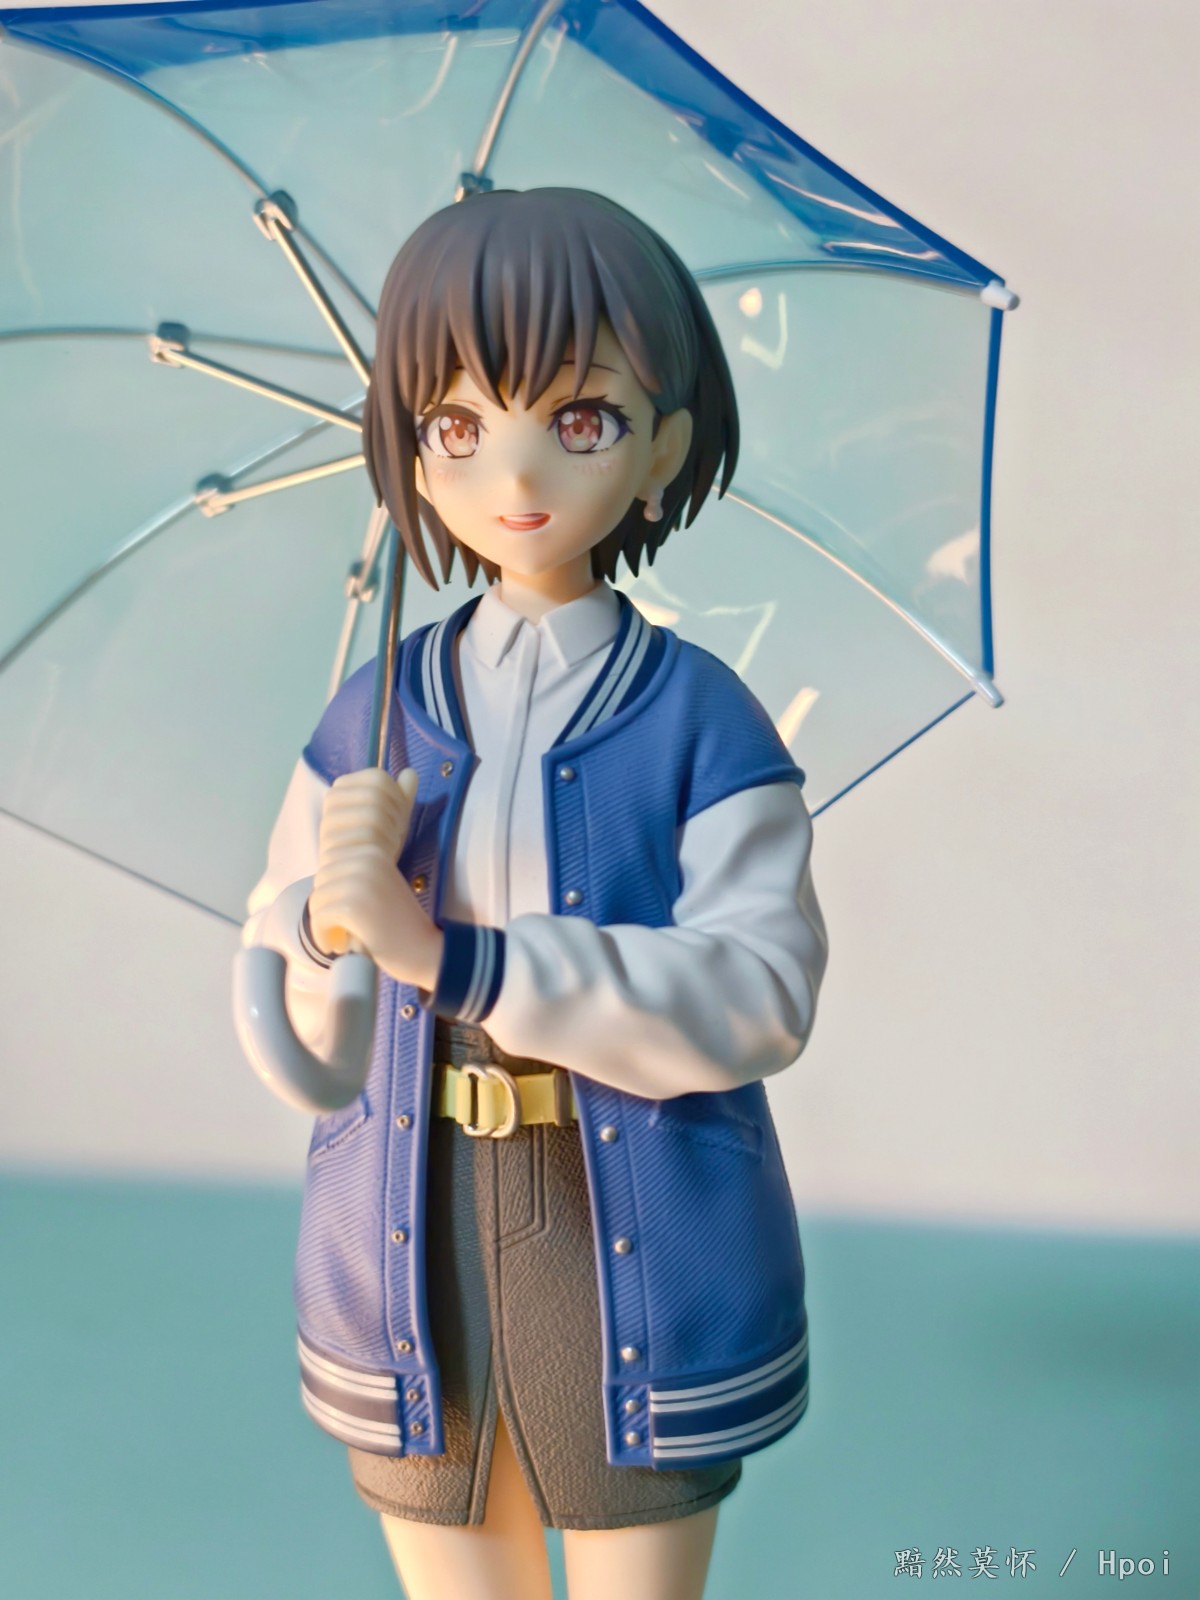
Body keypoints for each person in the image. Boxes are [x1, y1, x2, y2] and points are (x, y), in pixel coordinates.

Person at [242, 187, 829, 1600]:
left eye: (579, 418)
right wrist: (325, 921)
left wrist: (462, 961)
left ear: (662, 448)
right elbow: (294, 1017)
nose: (513, 471)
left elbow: (760, 992)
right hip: (409, 1228)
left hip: (635, 1225)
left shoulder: (700, 720)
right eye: (457, 425)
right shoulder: (373, 712)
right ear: (407, 447)